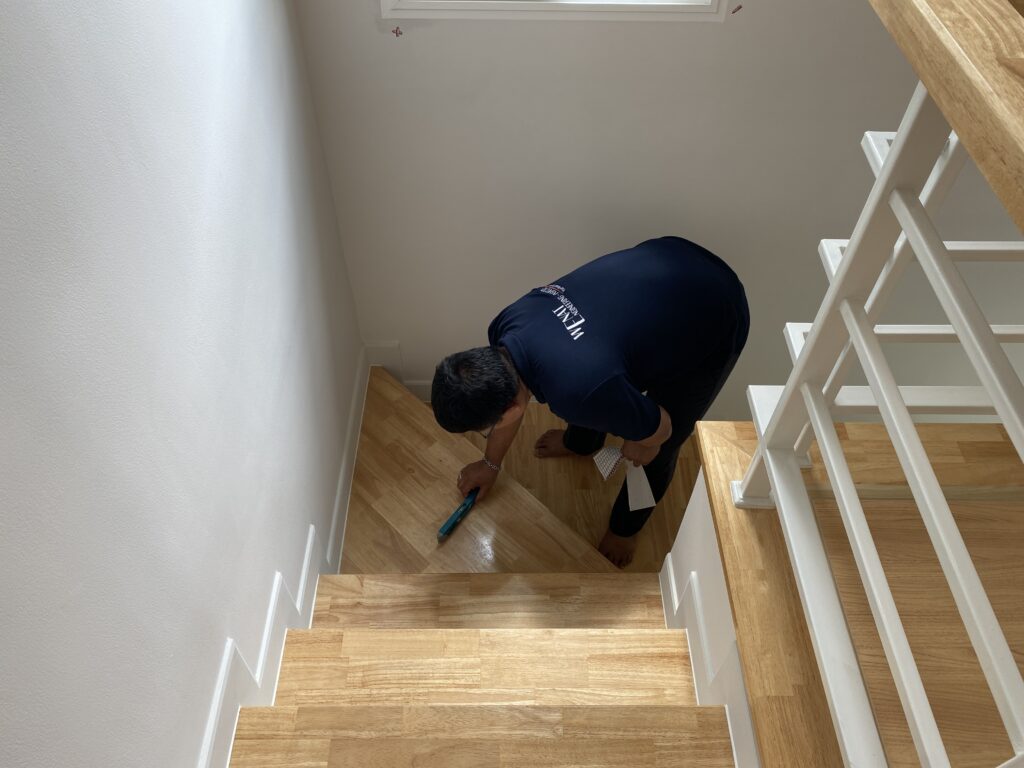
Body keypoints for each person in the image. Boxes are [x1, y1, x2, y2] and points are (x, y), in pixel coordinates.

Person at [430, 236, 749, 567]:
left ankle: (625, 529)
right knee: (592, 394)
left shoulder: (578, 391)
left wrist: (647, 441)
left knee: (659, 450)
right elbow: (580, 386)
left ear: (510, 410)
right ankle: (582, 444)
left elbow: (663, 427)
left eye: (487, 429)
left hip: (717, 310)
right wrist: (490, 464)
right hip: (668, 257)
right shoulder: (506, 324)